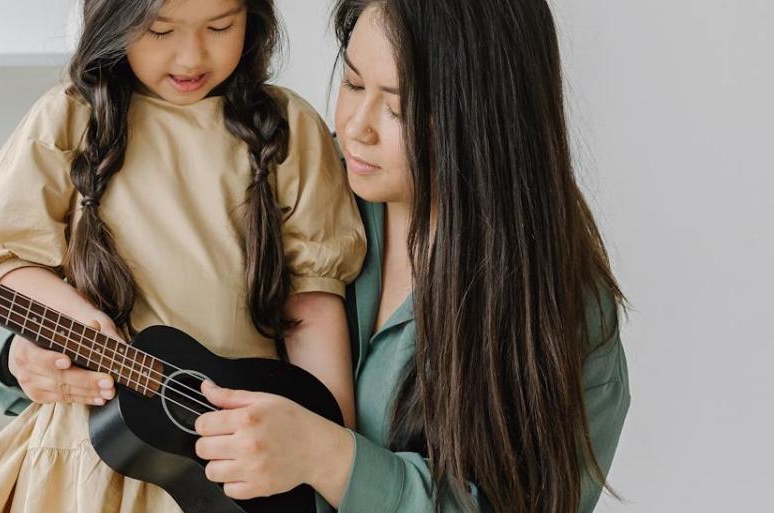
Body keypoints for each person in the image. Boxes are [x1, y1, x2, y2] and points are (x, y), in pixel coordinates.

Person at [192, 1, 631, 512]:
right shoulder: (296, 192)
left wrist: (327, 457)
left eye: (397, 108)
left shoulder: (566, 311)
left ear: (487, 118)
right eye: (353, 84)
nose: (357, 127)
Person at [0, 1, 366, 511]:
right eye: (159, 31)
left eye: (220, 26)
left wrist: (328, 456)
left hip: (232, 456)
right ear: (115, 22)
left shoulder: (287, 126)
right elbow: (8, 260)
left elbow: (312, 305)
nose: (190, 57)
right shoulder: (69, 117)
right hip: (92, 454)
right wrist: (82, 324)